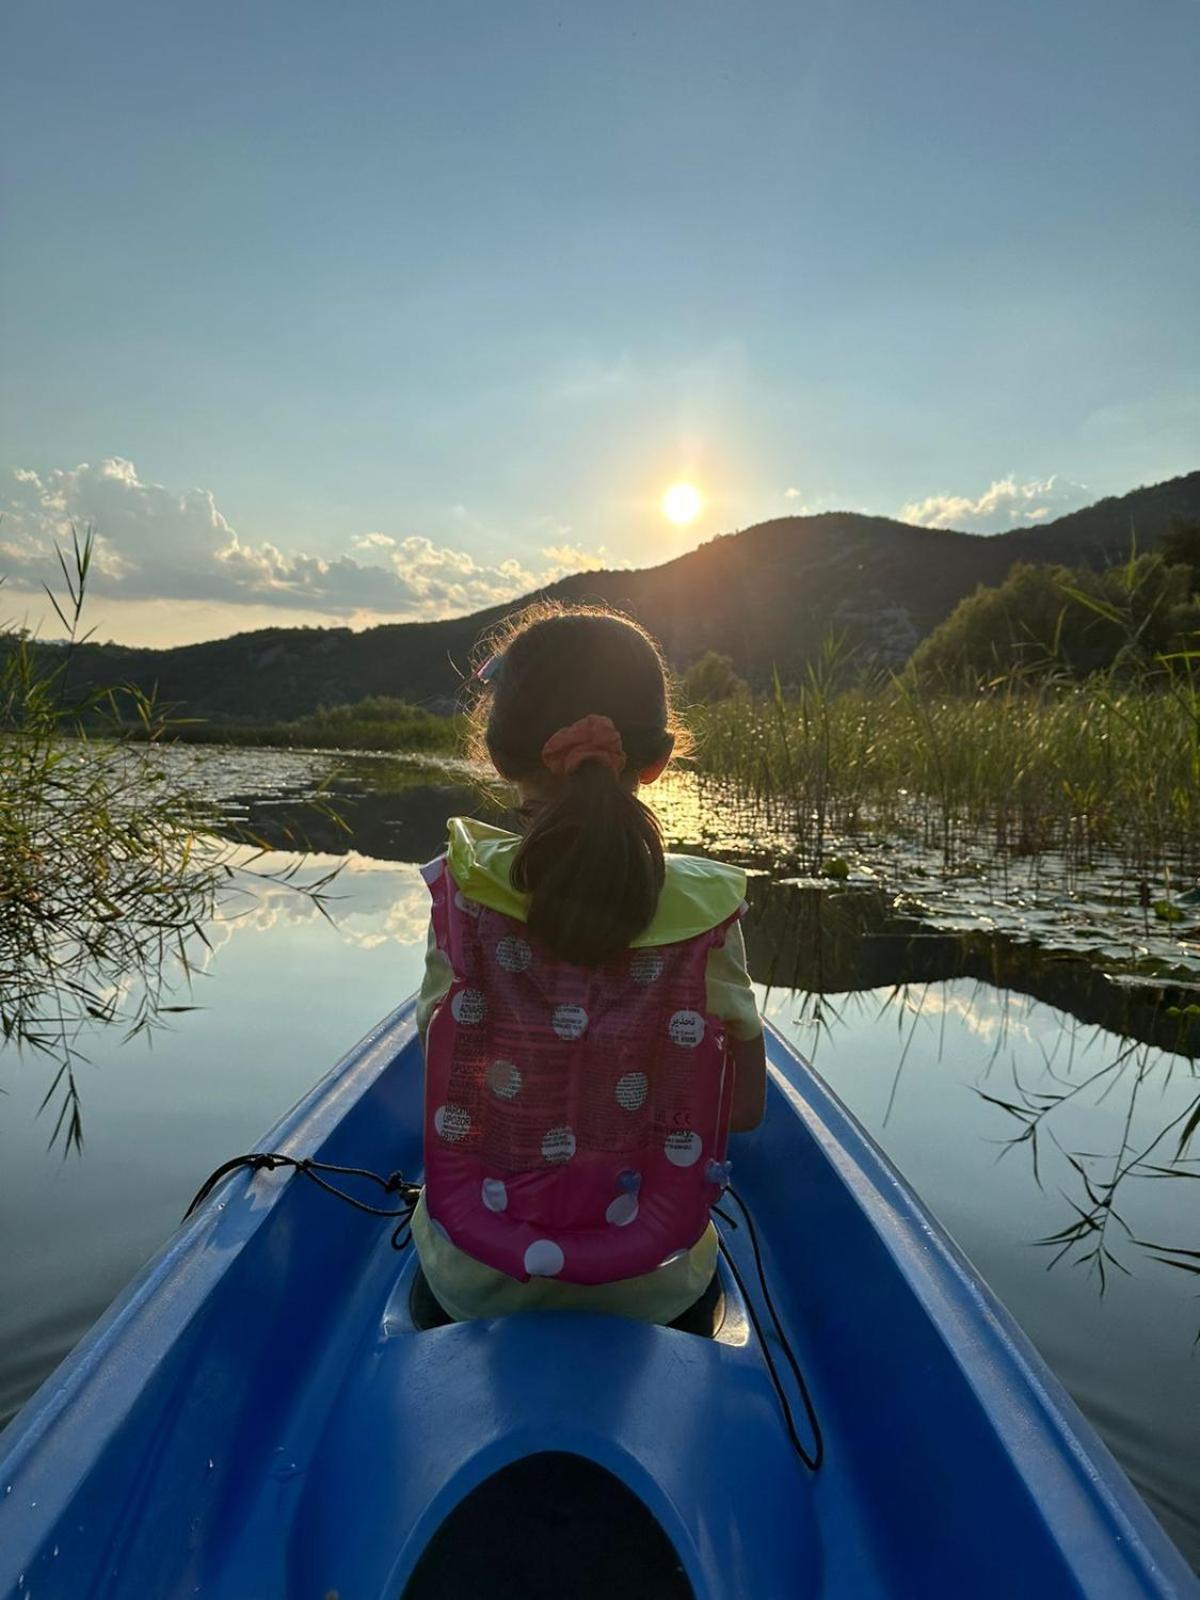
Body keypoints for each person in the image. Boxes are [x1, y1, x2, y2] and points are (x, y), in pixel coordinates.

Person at [410, 602, 765, 1325]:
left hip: (474, 1285)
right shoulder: (705, 914)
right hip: (655, 1289)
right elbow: (745, 1111)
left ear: (499, 755)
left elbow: (445, 1077)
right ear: (659, 761)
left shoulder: (463, 895)